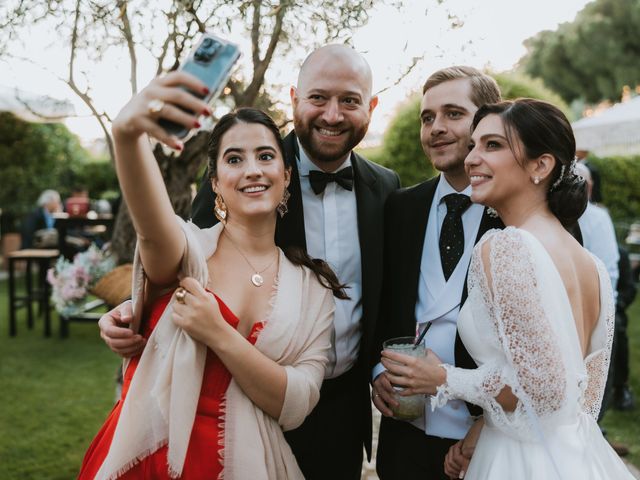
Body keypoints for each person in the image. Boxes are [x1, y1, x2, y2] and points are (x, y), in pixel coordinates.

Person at [96, 44, 400, 479]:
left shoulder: (385, 188)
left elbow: (392, 288)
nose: (332, 114)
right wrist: (141, 308)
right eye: (318, 98)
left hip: (336, 408)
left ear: (369, 106)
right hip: (198, 428)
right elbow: (168, 245)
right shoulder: (229, 203)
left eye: (349, 100)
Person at [381, 98, 633, 479]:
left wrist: (443, 378)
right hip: (577, 455)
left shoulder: (505, 246)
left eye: (492, 145)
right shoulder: (591, 265)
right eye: (474, 145)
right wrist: (481, 428)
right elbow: (579, 396)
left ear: (540, 166)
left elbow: (545, 390)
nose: (471, 159)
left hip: (519, 461)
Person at [371, 66, 503, 480]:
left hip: (486, 436)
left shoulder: (515, 216)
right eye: (427, 118)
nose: (436, 128)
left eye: (453, 114)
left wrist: (486, 424)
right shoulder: (400, 207)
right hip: (404, 435)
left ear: (486, 122)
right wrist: (378, 372)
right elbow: (385, 300)